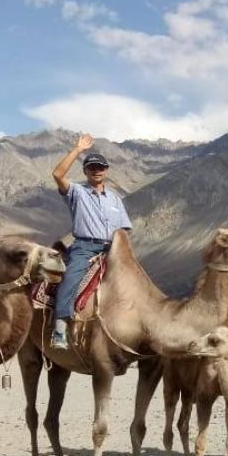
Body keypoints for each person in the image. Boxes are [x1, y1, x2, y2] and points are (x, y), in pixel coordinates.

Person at [49, 133, 132, 350]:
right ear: (85, 171)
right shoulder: (76, 192)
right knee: (71, 278)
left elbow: (124, 230)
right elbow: (57, 174)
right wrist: (78, 149)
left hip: (113, 248)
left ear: (106, 171)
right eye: (92, 167)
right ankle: (60, 326)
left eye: (101, 167)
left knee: (137, 280)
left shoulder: (115, 199)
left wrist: (120, 250)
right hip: (85, 247)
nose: (97, 170)